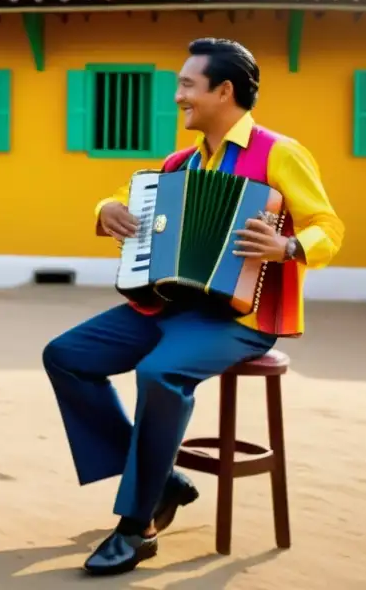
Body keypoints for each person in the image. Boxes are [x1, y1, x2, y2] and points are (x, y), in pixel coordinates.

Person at [43, 37, 344, 576]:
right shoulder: (178, 163)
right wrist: (107, 208)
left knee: (159, 372)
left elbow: (329, 226)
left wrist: (290, 247)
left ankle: (136, 528)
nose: (178, 95)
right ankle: (163, 482)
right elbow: (120, 196)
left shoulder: (279, 152)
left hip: (241, 317)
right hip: (169, 307)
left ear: (223, 91)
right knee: (66, 355)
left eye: (187, 84)